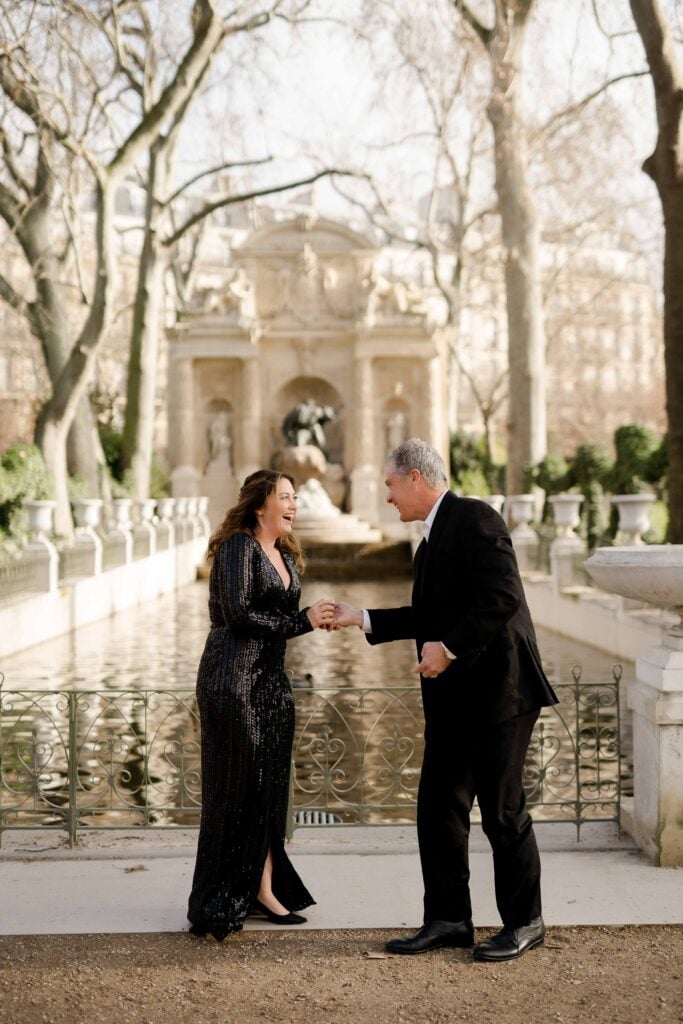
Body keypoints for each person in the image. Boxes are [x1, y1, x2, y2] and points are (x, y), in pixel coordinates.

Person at [333, 438, 558, 962]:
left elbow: (503, 595)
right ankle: (450, 920)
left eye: (390, 485)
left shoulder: (476, 518)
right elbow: (425, 617)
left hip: (502, 692)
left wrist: (450, 647)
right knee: (439, 809)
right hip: (455, 698)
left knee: (503, 812)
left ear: (416, 478)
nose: (387, 496)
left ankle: (525, 922)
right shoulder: (428, 542)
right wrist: (360, 616)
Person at [187, 470, 335, 940]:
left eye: (295, 497)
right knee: (240, 787)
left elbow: (277, 617)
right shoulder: (237, 548)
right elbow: (238, 614)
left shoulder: (285, 552)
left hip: (270, 680)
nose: (294, 504)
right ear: (260, 505)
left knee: (268, 787)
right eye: (285, 497)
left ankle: (261, 886)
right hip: (232, 680)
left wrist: (313, 620)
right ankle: (228, 893)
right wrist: (303, 622)